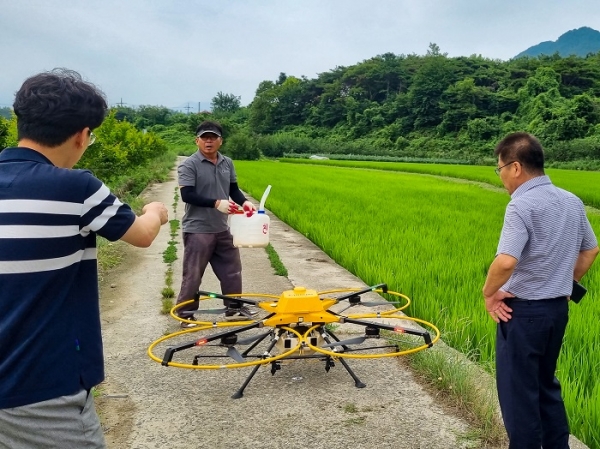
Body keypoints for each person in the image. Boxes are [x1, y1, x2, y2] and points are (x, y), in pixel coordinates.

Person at [0, 69, 168, 449]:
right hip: (39, 385)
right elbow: (141, 236)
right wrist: (155, 210)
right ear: (82, 134)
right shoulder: (74, 187)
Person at [482, 132, 599, 449]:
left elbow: (506, 262)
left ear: (515, 167)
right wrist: (563, 282)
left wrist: (489, 294)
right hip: (556, 311)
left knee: (519, 396)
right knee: (546, 385)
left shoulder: (521, 205)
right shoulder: (571, 201)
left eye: (500, 168)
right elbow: (591, 250)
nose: (502, 176)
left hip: (523, 315)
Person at [175, 120, 257, 327]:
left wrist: (245, 202)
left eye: (213, 137)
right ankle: (185, 314)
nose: (208, 141)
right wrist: (216, 203)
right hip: (198, 229)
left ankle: (234, 308)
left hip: (222, 228)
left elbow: (233, 190)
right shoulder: (189, 164)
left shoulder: (227, 163)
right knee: (193, 274)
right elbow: (187, 195)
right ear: (197, 141)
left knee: (232, 270)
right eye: (204, 137)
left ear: (221, 141)